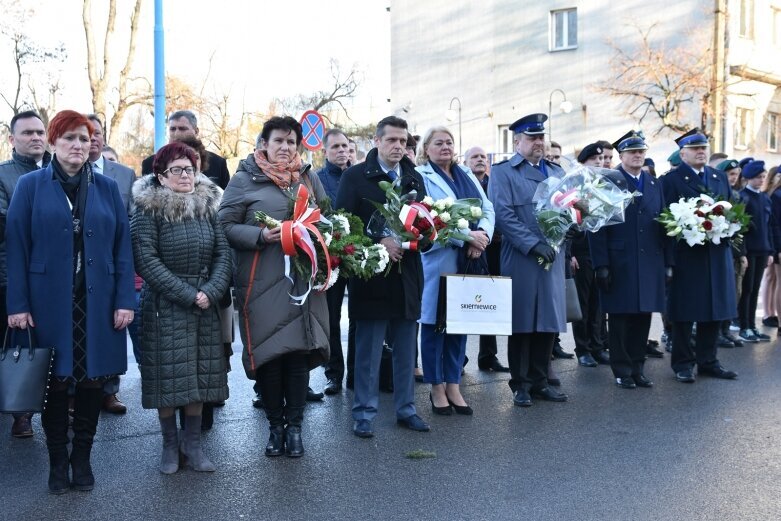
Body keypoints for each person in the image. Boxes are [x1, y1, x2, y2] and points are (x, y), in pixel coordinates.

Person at [6, 110, 135, 494]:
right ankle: (58, 463)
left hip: (98, 302)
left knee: (93, 382)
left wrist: (124, 298)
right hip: (48, 303)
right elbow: (17, 248)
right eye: (69, 139)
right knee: (57, 384)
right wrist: (18, 305)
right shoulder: (30, 186)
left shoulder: (107, 187)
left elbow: (122, 247)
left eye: (84, 138)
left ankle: (83, 459)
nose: (78, 145)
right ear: (53, 144)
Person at [219, 116, 329, 457]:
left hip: (301, 282)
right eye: (278, 141)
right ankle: (275, 427)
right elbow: (223, 225)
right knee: (269, 356)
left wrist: (324, 238)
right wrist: (260, 235)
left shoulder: (308, 178)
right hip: (261, 280)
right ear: (263, 144)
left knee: (298, 354)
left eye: (291, 142)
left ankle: (295, 428)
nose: (285, 148)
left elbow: (327, 217)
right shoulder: (244, 180)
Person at [131, 141, 231, 474]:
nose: (186, 174)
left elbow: (223, 255)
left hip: (205, 303)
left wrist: (211, 291)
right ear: (160, 176)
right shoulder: (148, 211)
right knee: (168, 379)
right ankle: (170, 446)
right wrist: (189, 294)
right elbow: (147, 261)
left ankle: (193, 444)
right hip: (164, 306)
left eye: (190, 168)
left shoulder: (208, 206)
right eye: (177, 169)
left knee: (200, 376)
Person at [335, 116, 430, 438]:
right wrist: (379, 244)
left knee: (406, 350)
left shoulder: (414, 177)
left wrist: (422, 237)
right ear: (376, 141)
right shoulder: (355, 177)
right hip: (372, 277)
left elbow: (428, 225)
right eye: (391, 140)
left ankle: (406, 409)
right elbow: (341, 228)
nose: (398, 147)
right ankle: (364, 412)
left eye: (403, 142)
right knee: (369, 350)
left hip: (407, 275)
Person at [488, 113, 568, 407]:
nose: (538, 142)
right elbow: (504, 215)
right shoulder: (503, 172)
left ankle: (540, 381)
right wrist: (533, 244)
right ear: (517, 141)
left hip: (553, 256)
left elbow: (568, 209)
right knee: (521, 321)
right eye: (532, 138)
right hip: (522, 256)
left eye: (541, 137)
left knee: (547, 321)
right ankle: (520, 384)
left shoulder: (557, 173)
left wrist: (573, 227)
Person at [415, 128, 495, 416]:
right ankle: (436, 386)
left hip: (470, 258)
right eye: (439, 143)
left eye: (449, 142)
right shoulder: (422, 176)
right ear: (427, 148)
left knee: (460, 321)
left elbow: (487, 208)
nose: (445, 147)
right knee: (435, 323)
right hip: (440, 258)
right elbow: (428, 217)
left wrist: (482, 236)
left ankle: (453, 383)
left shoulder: (467, 174)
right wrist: (468, 237)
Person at [589, 132, 670, 389]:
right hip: (619, 260)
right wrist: (601, 264)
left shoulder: (654, 184)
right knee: (621, 319)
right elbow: (596, 225)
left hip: (649, 261)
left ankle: (638, 367)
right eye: (632, 152)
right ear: (621, 156)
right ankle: (622, 370)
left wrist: (667, 262)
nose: (638, 156)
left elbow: (663, 223)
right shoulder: (608, 181)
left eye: (641, 152)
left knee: (642, 317)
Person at [660, 129, 738, 383]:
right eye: (695, 149)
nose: (701, 152)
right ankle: (682, 363)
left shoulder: (717, 176)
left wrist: (727, 228)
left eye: (703, 147)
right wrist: (669, 260)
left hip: (716, 252)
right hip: (687, 254)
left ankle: (708, 360)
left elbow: (729, 209)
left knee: (714, 308)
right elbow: (664, 220)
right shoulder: (670, 181)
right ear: (683, 153)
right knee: (685, 309)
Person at [0, 110, 51, 438]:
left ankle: (57, 406)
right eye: (27, 133)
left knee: (48, 341)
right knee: (18, 342)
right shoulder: (4, 175)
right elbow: (8, 223)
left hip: (53, 275)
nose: (35, 137)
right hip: (11, 274)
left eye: (39, 132)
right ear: (12, 139)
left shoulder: (59, 170)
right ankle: (21, 412)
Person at [86, 114, 136, 415]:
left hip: (112, 259)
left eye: (97, 133)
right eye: (86, 133)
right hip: (82, 262)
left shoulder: (124, 173)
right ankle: (72, 396)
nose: (92, 138)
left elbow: (131, 217)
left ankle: (110, 392)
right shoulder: (65, 172)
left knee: (111, 326)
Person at [464, 145, 510, 372]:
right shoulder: (462, 183)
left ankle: (488, 355)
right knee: (461, 302)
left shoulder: (494, 183)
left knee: (490, 303)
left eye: (483, 156)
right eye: (474, 157)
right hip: (470, 248)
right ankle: (458, 358)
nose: (480, 160)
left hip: (495, 251)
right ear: (466, 162)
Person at [317, 128, 355, 396]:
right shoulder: (317, 179)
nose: (342, 151)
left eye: (345, 146)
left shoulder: (360, 176)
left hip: (360, 256)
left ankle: (356, 372)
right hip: (332, 258)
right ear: (325, 151)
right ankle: (334, 374)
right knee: (331, 318)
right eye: (336, 147)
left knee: (360, 317)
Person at [570, 143, 609, 368]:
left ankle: (597, 346)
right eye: (595, 159)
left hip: (599, 252)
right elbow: (570, 220)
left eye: (602, 159)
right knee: (582, 303)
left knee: (598, 304)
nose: (600, 163)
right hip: (582, 250)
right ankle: (583, 348)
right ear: (584, 162)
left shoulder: (604, 186)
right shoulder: (575, 185)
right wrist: (571, 253)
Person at [736, 160, 776, 343]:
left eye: (763, 177)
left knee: (756, 288)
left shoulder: (765, 198)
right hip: (749, 249)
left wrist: (770, 251)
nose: (761, 180)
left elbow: (769, 226)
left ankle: (752, 325)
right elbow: (741, 228)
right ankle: (744, 326)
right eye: (758, 177)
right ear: (748, 178)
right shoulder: (743, 197)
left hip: (762, 249)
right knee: (747, 289)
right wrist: (742, 252)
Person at [141, 110, 230, 189]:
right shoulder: (150, 163)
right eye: (172, 129)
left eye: (182, 129)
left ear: (196, 131)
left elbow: (227, 201)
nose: (176, 133)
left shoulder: (217, 163)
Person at [716, 159, 747, 346]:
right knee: (722, 293)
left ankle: (726, 328)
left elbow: (740, 227)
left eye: (736, 174)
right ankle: (718, 330)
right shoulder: (718, 195)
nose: (734, 178)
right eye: (730, 174)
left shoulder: (736, 196)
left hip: (735, 249)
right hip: (723, 249)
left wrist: (742, 253)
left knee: (734, 292)